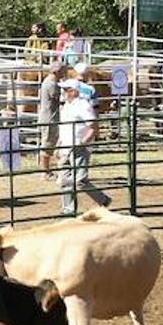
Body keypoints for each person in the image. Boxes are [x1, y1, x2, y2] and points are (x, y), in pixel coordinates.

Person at [56, 70, 111, 216]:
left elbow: (93, 126)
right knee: (65, 179)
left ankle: (102, 199)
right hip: (67, 145)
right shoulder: (67, 106)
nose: (63, 92)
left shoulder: (83, 105)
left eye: (66, 90)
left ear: (73, 91)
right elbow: (64, 127)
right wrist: (59, 145)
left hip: (79, 146)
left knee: (79, 180)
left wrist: (83, 142)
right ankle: (68, 209)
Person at [38, 65, 64, 178]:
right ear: (56, 72)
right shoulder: (51, 84)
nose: (64, 74)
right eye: (63, 72)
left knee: (53, 144)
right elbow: (59, 98)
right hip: (49, 118)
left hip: (52, 117)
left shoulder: (51, 82)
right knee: (47, 145)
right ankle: (45, 172)